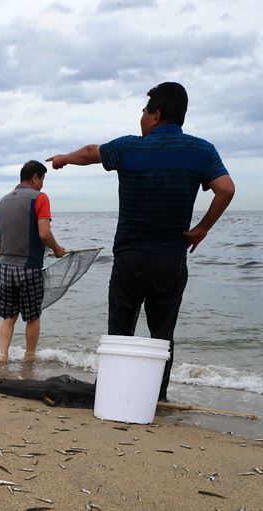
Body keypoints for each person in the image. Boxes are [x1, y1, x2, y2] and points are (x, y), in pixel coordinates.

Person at [48, 82, 235, 400]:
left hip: (130, 258)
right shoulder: (201, 150)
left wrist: (65, 158)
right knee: (162, 334)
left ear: (155, 115)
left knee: (120, 329)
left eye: (144, 111)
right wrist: (202, 228)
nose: (141, 118)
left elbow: (92, 152)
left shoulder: (129, 147)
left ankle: (115, 394)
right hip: (170, 260)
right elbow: (226, 189)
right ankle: (156, 397)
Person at [0, 160, 65, 364]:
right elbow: (44, 233)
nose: (42, 184)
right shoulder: (40, 198)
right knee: (32, 316)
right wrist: (57, 249)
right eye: (42, 179)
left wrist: (3, 251)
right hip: (29, 268)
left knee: (9, 316)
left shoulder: (2, 202)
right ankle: (29, 357)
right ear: (35, 177)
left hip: (5, 268)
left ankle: (3, 355)